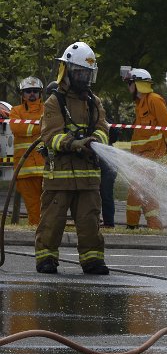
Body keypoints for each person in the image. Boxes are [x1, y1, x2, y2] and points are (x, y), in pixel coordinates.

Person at [34, 41, 110, 275]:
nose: (84, 78)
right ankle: (46, 259)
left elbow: (103, 129)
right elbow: (51, 136)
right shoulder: (54, 101)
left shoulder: (93, 102)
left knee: (89, 222)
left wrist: (95, 141)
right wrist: (75, 143)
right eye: (79, 72)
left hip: (88, 177)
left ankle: (92, 260)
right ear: (67, 71)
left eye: (88, 74)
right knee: (52, 221)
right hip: (60, 175)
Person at [123, 68, 167, 230]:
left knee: (135, 190)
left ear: (138, 84)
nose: (128, 87)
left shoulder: (154, 100)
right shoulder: (139, 103)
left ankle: (131, 226)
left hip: (152, 156)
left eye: (130, 83)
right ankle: (154, 225)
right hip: (141, 156)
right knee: (145, 191)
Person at [9, 77, 45, 226]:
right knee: (33, 208)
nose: (32, 94)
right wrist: (41, 127)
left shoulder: (48, 108)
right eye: (28, 91)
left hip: (47, 169)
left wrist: (33, 129)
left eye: (35, 91)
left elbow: (53, 126)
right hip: (25, 171)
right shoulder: (15, 111)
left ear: (40, 93)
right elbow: (17, 128)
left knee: (49, 206)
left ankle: (48, 234)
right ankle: (37, 235)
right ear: (22, 94)